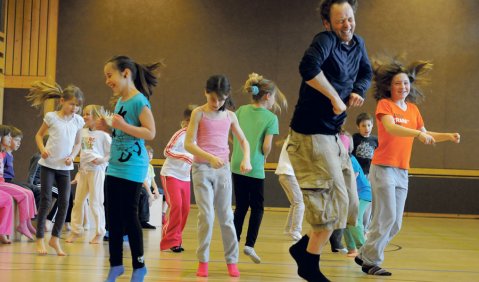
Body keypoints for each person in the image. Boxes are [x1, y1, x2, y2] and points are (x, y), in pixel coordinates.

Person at [287, 0, 372, 281]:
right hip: (311, 135)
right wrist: (335, 97)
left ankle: (302, 249)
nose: (346, 25)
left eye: (349, 18)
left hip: (333, 135)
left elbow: (366, 72)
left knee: (350, 205)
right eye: (339, 21)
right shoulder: (325, 41)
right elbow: (308, 66)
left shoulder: (357, 44)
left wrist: (358, 90)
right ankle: (308, 263)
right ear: (328, 24)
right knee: (333, 202)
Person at [355, 57, 460, 276]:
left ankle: (365, 253)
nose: (403, 87)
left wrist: (447, 136)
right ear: (388, 87)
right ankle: (371, 261)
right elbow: (392, 128)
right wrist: (418, 134)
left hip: (402, 171)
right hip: (383, 168)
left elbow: (426, 132)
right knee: (386, 217)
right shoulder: (385, 106)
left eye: (405, 83)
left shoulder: (412, 110)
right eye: (397, 83)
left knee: (396, 224)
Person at [101, 55, 162, 282]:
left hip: (132, 168)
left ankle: (139, 266)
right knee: (113, 218)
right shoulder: (120, 102)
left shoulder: (139, 101)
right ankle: (116, 265)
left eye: (110, 75)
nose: (107, 81)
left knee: (130, 216)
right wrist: (108, 129)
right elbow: (122, 134)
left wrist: (122, 125)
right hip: (114, 166)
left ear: (126, 73)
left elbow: (150, 133)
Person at [184, 74, 252, 278]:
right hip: (202, 169)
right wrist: (210, 157)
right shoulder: (198, 113)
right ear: (206, 92)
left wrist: (246, 158)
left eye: (221, 99)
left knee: (226, 217)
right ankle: (203, 260)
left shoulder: (230, 116)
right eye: (213, 98)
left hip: (222, 169)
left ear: (226, 97)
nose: (216, 103)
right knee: (206, 215)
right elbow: (189, 143)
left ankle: (231, 260)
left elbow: (244, 141)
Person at [231, 72, 287, 264]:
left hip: (237, 165)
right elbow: (265, 147)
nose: (274, 101)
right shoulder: (271, 118)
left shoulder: (239, 111)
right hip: (254, 167)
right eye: (274, 97)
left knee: (240, 206)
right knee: (257, 207)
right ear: (267, 96)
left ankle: (233, 243)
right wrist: (264, 151)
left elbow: (233, 136)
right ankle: (249, 244)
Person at [27, 81, 85, 256]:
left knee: (65, 202)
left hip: (64, 168)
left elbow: (78, 143)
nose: (75, 108)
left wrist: (72, 157)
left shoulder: (78, 121)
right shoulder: (52, 117)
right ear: (62, 101)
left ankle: (55, 238)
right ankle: (39, 239)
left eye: (77, 105)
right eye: (72, 104)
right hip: (48, 166)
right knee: (45, 201)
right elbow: (38, 135)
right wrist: (43, 150)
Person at [66, 104, 111, 244]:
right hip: (84, 172)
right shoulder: (83, 132)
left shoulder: (104, 135)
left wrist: (102, 160)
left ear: (96, 116)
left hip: (97, 172)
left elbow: (111, 153)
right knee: (78, 202)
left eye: (87, 114)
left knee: (95, 203)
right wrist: (79, 172)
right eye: (84, 113)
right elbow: (85, 153)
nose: (84, 116)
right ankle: (76, 230)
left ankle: (100, 231)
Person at [160, 105, 195, 252]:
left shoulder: (199, 137)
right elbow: (167, 150)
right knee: (176, 206)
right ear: (188, 121)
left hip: (185, 177)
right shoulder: (181, 134)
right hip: (171, 174)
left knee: (185, 209)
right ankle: (170, 240)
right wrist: (185, 156)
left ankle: (177, 239)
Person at [0, 125, 37, 240]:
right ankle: (22, 224)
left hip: (2, 181)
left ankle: (26, 223)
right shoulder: (4, 154)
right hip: (3, 182)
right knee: (24, 194)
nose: (10, 139)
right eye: (8, 136)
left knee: (29, 192)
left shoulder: (3, 153)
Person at [274, 135, 304, 242]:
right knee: (299, 202)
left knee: (294, 203)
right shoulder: (298, 138)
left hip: (284, 174)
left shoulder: (293, 136)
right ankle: (295, 230)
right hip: (288, 173)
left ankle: (288, 229)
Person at [343, 154, 371, 257]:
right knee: (346, 221)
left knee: (355, 220)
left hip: (363, 194)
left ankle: (364, 251)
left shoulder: (350, 159)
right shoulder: (339, 158)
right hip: (351, 195)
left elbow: (352, 180)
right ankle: (352, 249)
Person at [139, 145, 161, 230]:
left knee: (164, 193)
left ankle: (162, 214)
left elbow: (153, 181)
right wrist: (150, 195)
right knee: (144, 194)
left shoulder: (150, 167)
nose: (150, 157)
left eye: (151, 155)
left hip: (148, 187)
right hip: (142, 187)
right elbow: (144, 182)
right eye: (148, 155)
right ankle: (143, 221)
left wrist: (155, 189)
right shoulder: (141, 166)